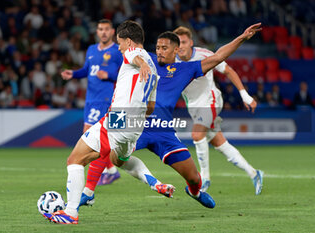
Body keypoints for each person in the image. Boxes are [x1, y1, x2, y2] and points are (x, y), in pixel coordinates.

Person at [78, 23, 262, 208]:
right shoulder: (145, 59)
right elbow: (127, 50)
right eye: (157, 47)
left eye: (164, 48)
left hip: (163, 130)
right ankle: (88, 192)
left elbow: (219, 56)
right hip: (136, 124)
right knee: (106, 146)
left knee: (193, 177)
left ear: (176, 49)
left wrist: (241, 38)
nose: (159, 51)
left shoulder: (186, 70)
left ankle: (195, 191)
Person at [43, 20, 171, 224]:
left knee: (74, 160)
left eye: (119, 42)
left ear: (128, 41)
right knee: (119, 160)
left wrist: (142, 63)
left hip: (118, 119)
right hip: (136, 126)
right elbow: (150, 108)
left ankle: (70, 213)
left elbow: (134, 56)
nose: (118, 47)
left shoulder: (134, 55)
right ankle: (154, 183)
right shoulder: (154, 71)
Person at [173, 26, 263, 194]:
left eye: (184, 41)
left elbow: (228, 71)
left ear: (191, 42)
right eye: (178, 42)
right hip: (194, 108)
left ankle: (204, 178)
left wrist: (245, 95)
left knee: (197, 135)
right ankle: (254, 173)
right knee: (219, 143)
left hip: (211, 101)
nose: (181, 46)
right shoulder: (171, 61)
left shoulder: (204, 54)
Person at [61, 19, 124, 186]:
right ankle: (110, 170)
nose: (103, 32)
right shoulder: (91, 50)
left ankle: (107, 171)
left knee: (89, 133)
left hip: (104, 99)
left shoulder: (118, 51)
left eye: (106, 29)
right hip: (91, 99)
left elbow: (126, 74)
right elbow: (86, 70)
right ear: (97, 32)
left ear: (112, 32)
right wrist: (73, 74)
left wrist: (110, 76)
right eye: (100, 29)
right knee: (96, 136)